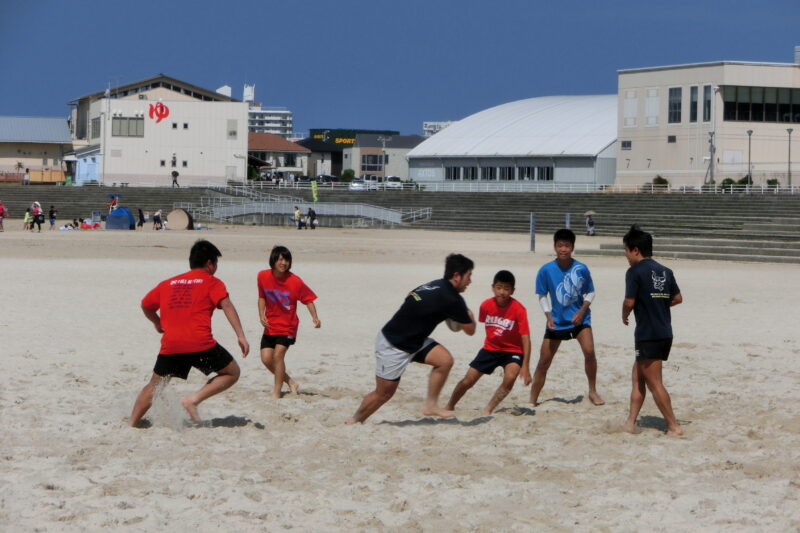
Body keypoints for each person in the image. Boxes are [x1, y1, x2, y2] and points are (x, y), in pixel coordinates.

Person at [129, 240, 249, 427]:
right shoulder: (212, 282)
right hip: (200, 344)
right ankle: (192, 400)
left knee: (155, 385)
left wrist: (157, 322)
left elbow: (145, 305)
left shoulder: (168, 283)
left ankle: (132, 422)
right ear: (209, 263)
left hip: (172, 344)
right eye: (216, 263)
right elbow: (226, 305)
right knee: (232, 372)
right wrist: (241, 335)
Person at [347, 254, 476, 424]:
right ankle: (354, 421)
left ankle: (431, 405)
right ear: (457, 276)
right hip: (393, 344)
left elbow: (410, 295)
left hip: (415, 340)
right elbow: (470, 330)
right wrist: (469, 315)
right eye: (468, 276)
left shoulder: (434, 284)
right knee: (383, 393)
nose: (470, 281)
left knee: (444, 361)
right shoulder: (453, 299)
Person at [530, 229, 605, 406]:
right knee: (544, 362)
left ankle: (593, 391)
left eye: (567, 245)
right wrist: (548, 315)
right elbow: (542, 295)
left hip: (580, 321)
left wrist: (582, 311)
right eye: (560, 245)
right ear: (555, 247)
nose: (563, 249)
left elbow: (590, 292)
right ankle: (532, 399)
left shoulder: (581, 268)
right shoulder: (546, 270)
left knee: (589, 352)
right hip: (556, 322)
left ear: (572, 247)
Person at [621, 225, 684, 436]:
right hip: (665, 331)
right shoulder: (666, 271)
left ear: (635, 250)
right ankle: (630, 422)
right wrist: (657, 304)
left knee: (654, 383)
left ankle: (673, 426)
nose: (626, 256)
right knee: (638, 376)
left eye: (626, 251)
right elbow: (677, 298)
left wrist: (624, 314)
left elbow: (629, 301)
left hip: (648, 334)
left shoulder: (634, 272)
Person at [446, 270, 531, 415]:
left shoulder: (519, 309)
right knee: (468, 380)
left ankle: (488, 408)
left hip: (513, 350)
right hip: (490, 349)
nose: (502, 292)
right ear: (493, 287)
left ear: (512, 290)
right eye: (499, 287)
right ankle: (450, 405)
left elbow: (526, 339)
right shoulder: (485, 306)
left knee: (510, 376)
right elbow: (482, 325)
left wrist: (525, 366)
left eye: (506, 288)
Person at [257, 245, 320, 398]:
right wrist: (261, 314)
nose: (283, 263)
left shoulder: (295, 281)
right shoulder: (262, 276)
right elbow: (262, 297)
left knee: (278, 356)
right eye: (280, 259)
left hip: (288, 326)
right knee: (266, 359)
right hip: (271, 325)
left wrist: (315, 317)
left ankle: (276, 392)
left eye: (286, 260)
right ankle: (291, 382)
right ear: (273, 260)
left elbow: (308, 300)